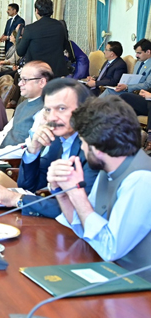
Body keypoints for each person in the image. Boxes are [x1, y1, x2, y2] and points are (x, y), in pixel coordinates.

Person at [49, 96, 151, 279]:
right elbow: (86, 227)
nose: (82, 148)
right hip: (111, 272)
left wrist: (77, 192)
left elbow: (110, 248)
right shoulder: (109, 167)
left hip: (138, 287)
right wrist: (62, 192)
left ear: (98, 149)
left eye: (83, 142)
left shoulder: (141, 179)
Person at [0, 78, 97, 218]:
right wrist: (33, 150)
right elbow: (28, 186)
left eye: (61, 109)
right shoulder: (57, 140)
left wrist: (17, 199)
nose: (52, 117)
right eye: (47, 110)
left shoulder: (92, 147)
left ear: (83, 111)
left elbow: (79, 209)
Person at [0, 61, 54, 158]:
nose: (19, 84)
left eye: (25, 80)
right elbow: (4, 133)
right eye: (20, 79)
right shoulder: (23, 104)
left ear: (41, 82)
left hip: (11, 162)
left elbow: (30, 148)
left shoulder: (46, 110)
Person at [16, 0, 70, 78]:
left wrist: (18, 37)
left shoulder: (30, 29)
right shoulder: (60, 26)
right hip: (57, 71)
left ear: (37, 10)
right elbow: (64, 46)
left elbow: (20, 51)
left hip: (37, 72)